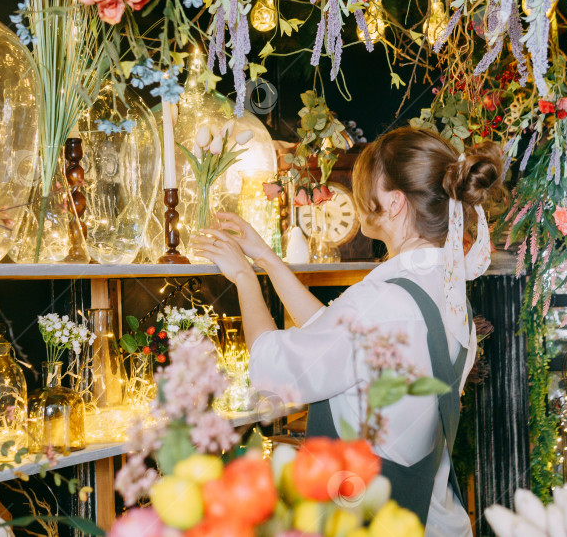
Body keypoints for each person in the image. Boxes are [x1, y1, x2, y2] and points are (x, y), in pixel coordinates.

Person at [192, 126, 502, 537]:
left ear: (393, 203)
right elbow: (333, 336)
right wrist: (266, 258)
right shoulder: (445, 293)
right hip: (435, 521)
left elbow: (272, 374)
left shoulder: (380, 303)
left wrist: (244, 280)